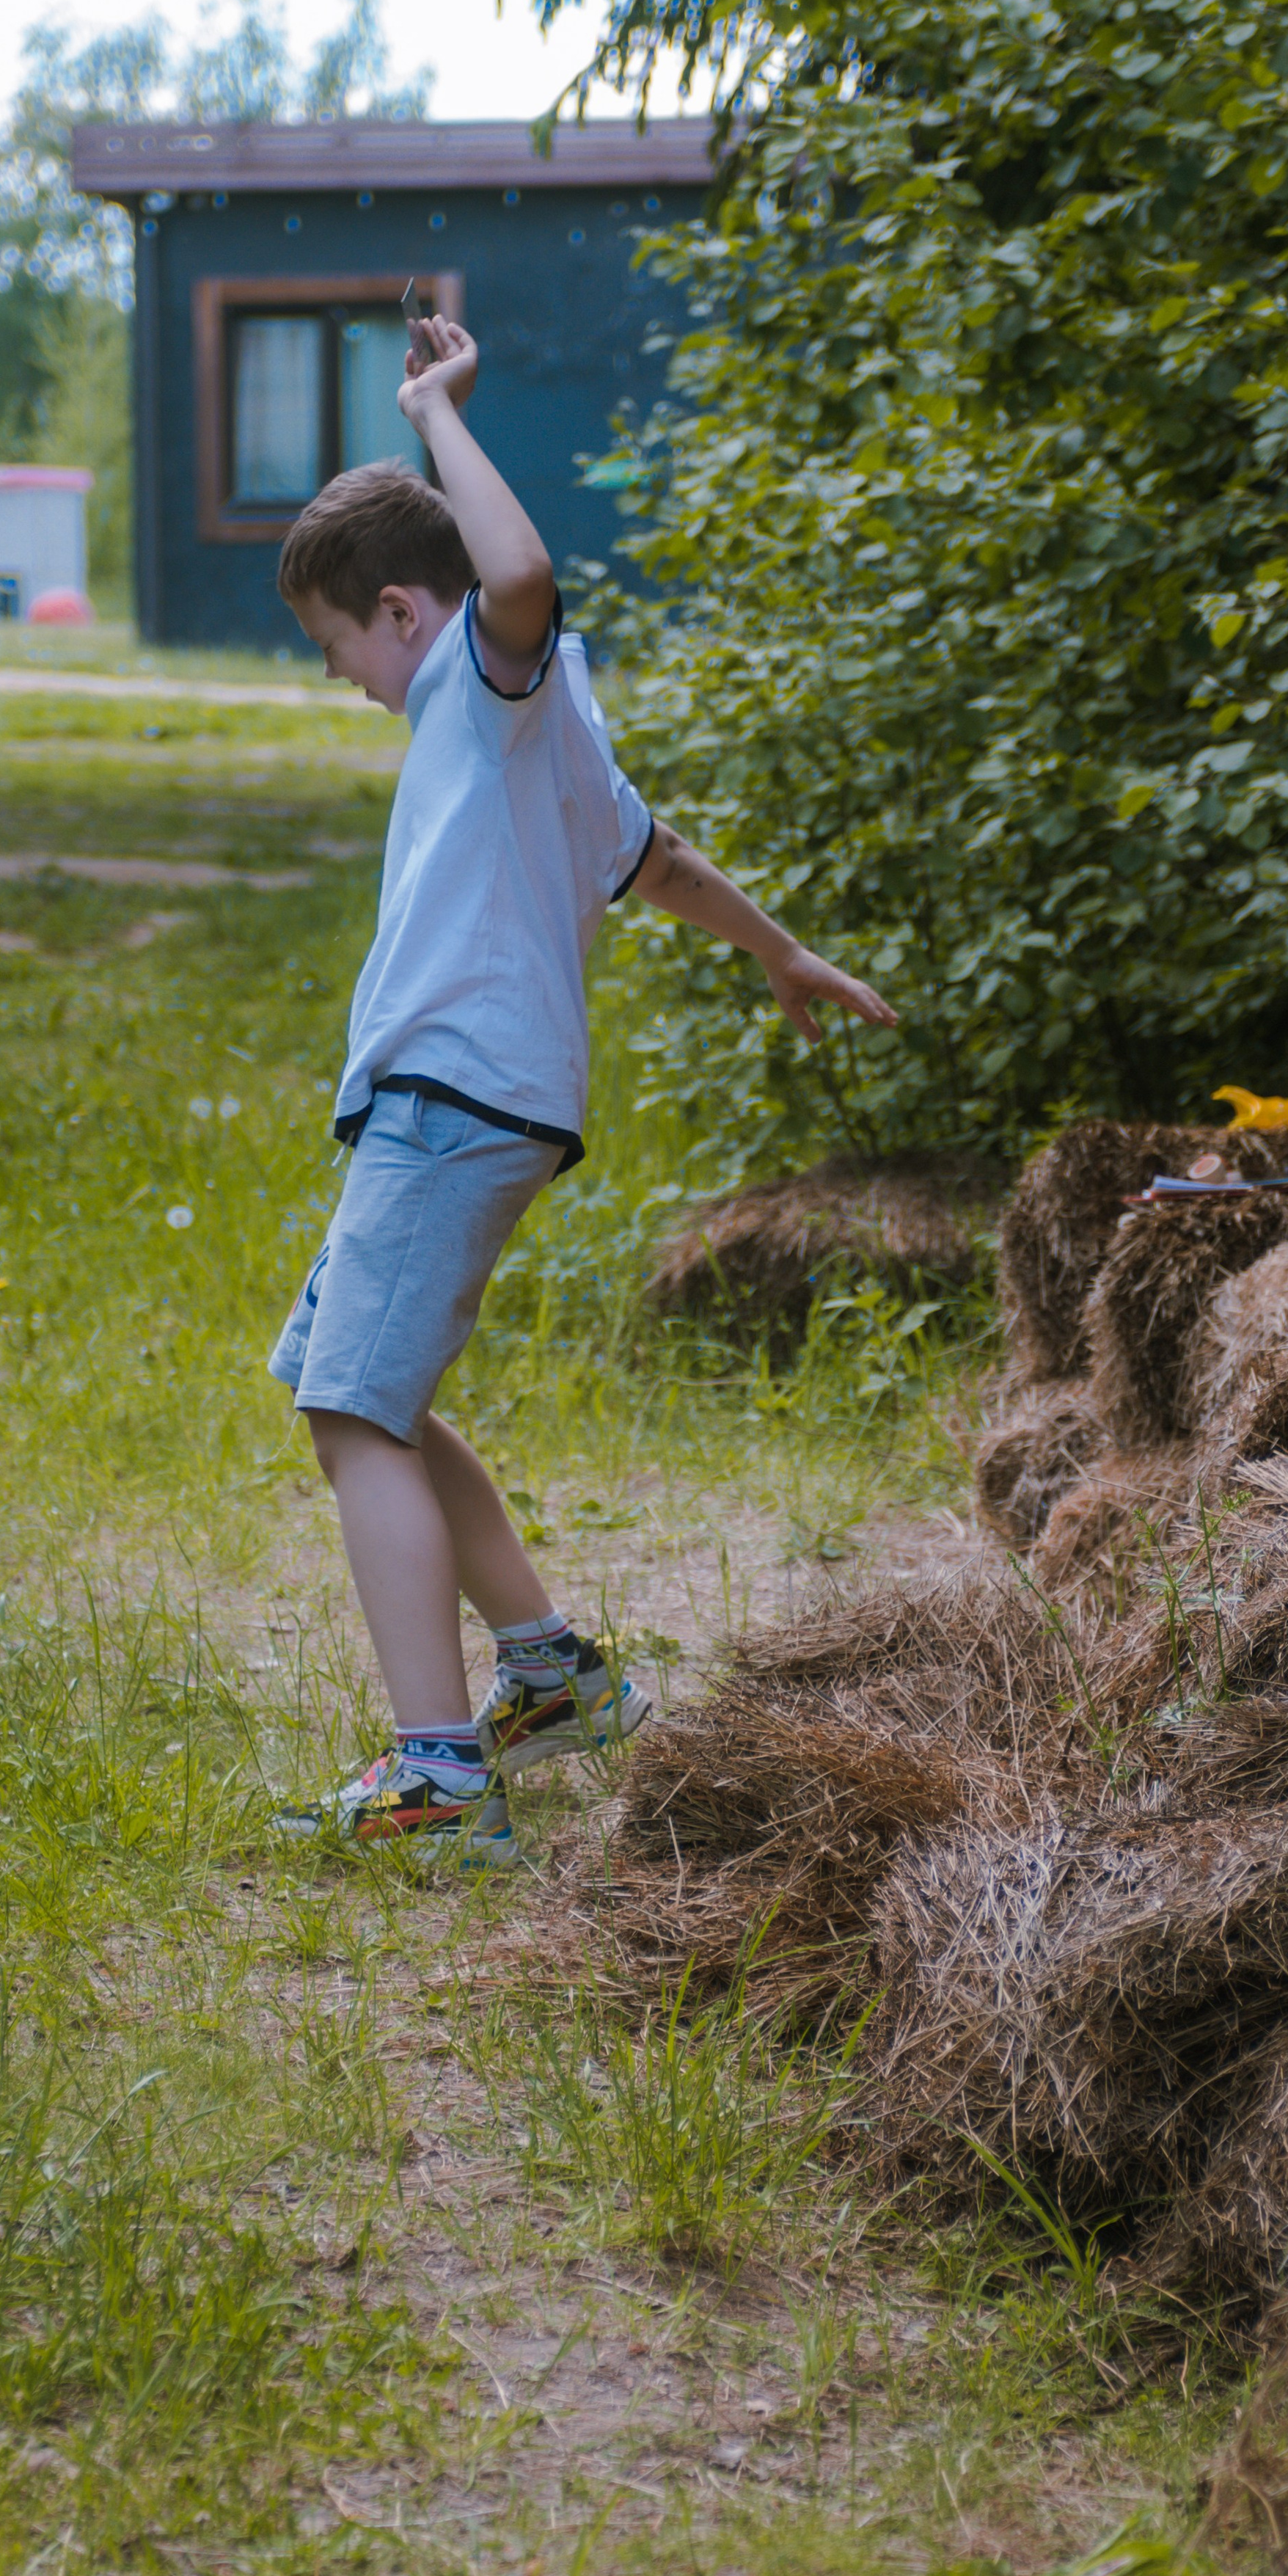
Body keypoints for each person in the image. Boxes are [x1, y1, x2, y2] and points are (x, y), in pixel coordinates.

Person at [267, 312, 899, 1866]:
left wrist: (437, 415)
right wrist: (782, 954)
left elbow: (523, 581)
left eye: (334, 644)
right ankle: (545, 1675)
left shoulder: (489, 678)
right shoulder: (544, 725)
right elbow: (652, 863)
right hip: (478, 1097)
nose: (341, 679)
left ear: (402, 613)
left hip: (454, 1094)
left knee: (354, 1409)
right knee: (354, 1380)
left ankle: (436, 1776)